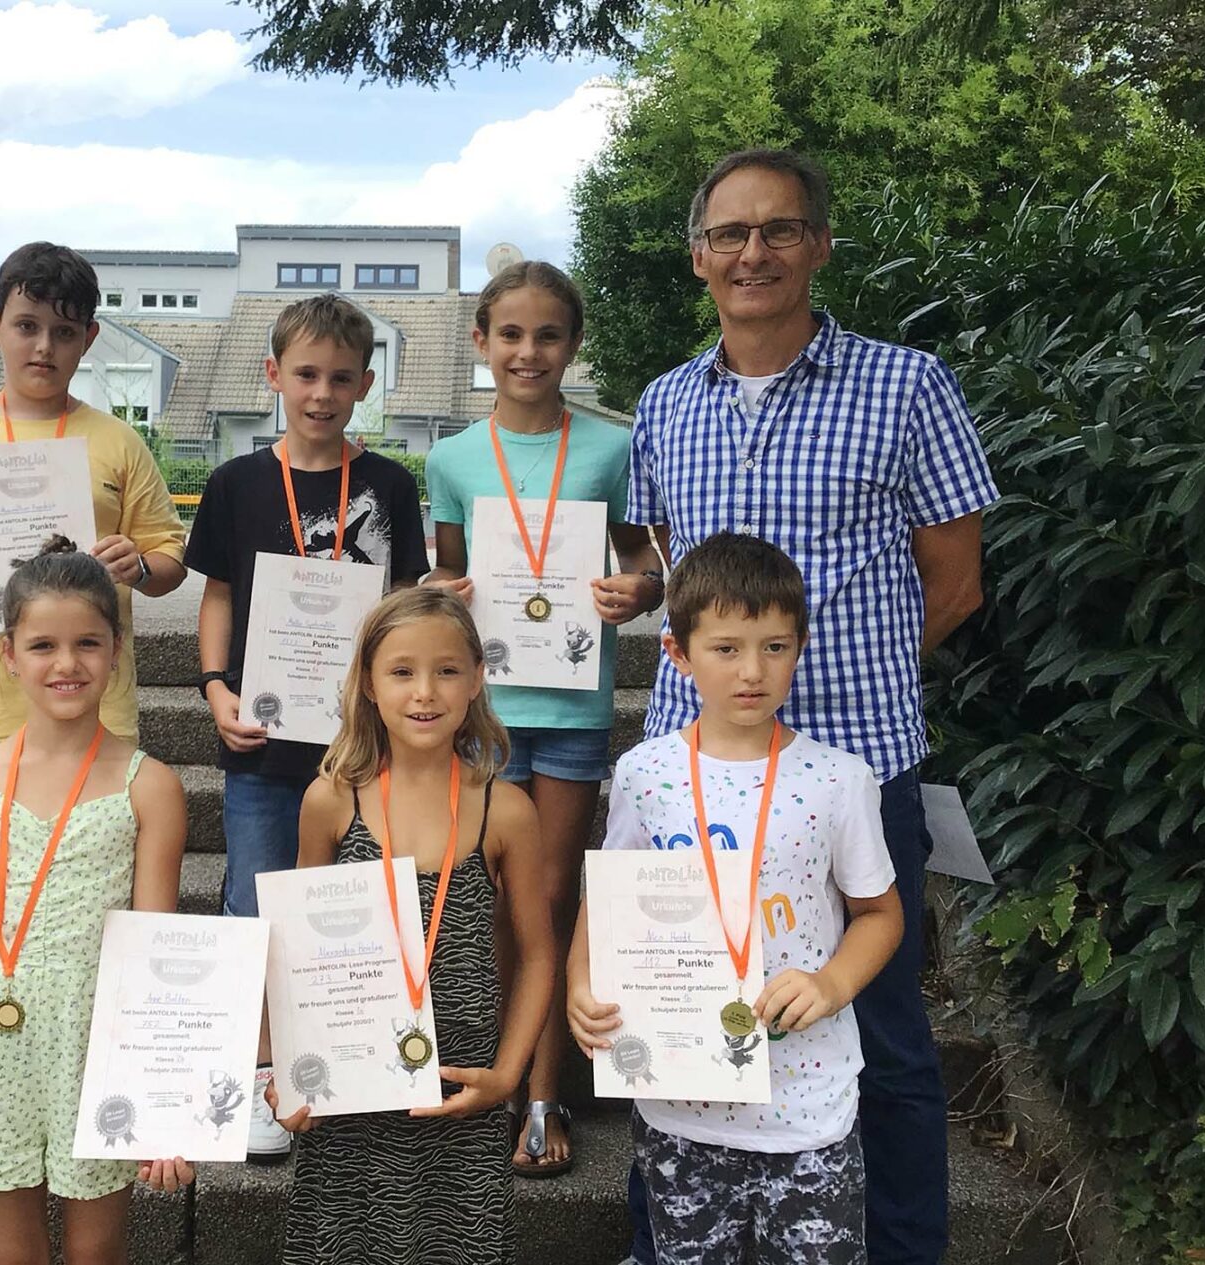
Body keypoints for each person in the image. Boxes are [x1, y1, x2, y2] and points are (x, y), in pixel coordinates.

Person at [614, 149, 998, 1263]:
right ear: (698, 257)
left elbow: (956, 582)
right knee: (683, 1009)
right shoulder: (665, 402)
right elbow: (679, 569)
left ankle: (902, 1249)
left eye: (779, 229)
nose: (754, 252)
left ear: (820, 245)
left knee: (883, 1030)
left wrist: (856, 673)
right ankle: (670, 1239)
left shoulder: (908, 385)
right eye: (730, 234)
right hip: (693, 775)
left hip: (855, 765)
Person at [571, 533, 903, 1264]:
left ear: (800, 647)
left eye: (775, 647)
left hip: (807, 1107)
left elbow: (880, 914)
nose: (753, 670)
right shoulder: (644, 773)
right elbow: (610, 895)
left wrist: (831, 983)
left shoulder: (839, 780)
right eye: (726, 648)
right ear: (677, 652)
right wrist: (580, 982)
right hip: (678, 1105)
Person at [424, 260, 662, 1175]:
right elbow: (446, 577)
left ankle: (543, 1090)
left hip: (569, 707)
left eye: (549, 335)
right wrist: (441, 589)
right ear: (481, 342)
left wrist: (638, 591)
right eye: (512, 335)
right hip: (484, 713)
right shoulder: (452, 457)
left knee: (554, 894)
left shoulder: (611, 446)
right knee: (488, 895)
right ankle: (493, 1071)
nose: (529, 352)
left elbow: (646, 563)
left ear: (573, 344)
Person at [184, 292, 430, 1163]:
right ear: (274, 376)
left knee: (354, 911)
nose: (322, 393)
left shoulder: (391, 486)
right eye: (306, 375)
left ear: (366, 383)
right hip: (261, 744)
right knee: (255, 906)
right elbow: (217, 596)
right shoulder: (236, 483)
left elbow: (405, 606)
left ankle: (349, 1064)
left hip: (362, 748)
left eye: (340, 378)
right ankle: (261, 1076)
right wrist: (215, 686)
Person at [0, 537, 192, 1265]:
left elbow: (155, 957)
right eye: (42, 645)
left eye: (87, 643)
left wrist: (162, 1098)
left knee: (96, 1254)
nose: (66, 663)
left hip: (97, 1045)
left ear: (117, 650)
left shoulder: (149, 786)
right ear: (8, 654)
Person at [267, 586, 554, 1263]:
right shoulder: (331, 801)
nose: (425, 691)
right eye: (402, 671)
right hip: (349, 1094)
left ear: (477, 678)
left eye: (447, 670)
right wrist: (286, 1072)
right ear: (368, 683)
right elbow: (294, 952)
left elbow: (539, 954)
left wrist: (507, 1075)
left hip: (461, 1090)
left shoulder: (506, 809)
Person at [0, 242, 187, 762]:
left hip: (95, 710)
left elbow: (170, 561)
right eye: (27, 326)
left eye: (64, 332)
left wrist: (139, 567)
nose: (44, 347)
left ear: (89, 338)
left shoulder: (118, 442)